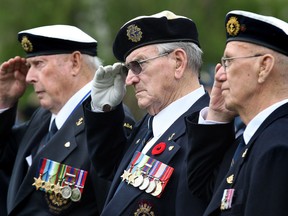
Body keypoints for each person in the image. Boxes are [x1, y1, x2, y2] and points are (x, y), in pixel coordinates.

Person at [84, 10, 210, 216]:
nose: (129, 80)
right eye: (127, 69)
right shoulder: (150, 125)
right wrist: (104, 111)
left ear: (178, 62)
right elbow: (110, 171)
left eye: (138, 65)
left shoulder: (207, 128)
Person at [0, 25, 134, 216]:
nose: (29, 77)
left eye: (39, 64)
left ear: (75, 62)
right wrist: (3, 101)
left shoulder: (108, 122)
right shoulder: (45, 116)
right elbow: (5, 158)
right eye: (29, 66)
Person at [186, 10, 288, 216]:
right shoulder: (258, 139)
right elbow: (203, 188)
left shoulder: (278, 149)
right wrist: (216, 115)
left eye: (228, 61)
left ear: (264, 67)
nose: (220, 75)